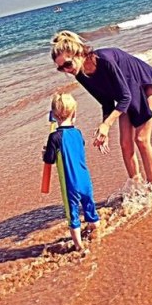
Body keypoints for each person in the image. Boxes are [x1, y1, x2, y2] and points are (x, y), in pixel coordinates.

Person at [50, 30, 152, 188]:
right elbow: (106, 102)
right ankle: (136, 186)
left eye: (68, 64)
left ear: (78, 53)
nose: (67, 70)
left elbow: (125, 97)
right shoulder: (80, 75)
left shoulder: (104, 59)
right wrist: (105, 129)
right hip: (127, 95)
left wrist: (107, 125)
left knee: (141, 139)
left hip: (146, 85)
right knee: (125, 143)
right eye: (61, 68)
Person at [43, 92, 99, 251]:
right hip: (85, 181)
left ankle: (79, 247)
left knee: (73, 216)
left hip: (71, 185)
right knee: (90, 208)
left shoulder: (54, 137)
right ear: (74, 115)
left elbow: (49, 159)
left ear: (54, 115)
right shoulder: (78, 133)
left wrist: (45, 152)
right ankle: (94, 228)